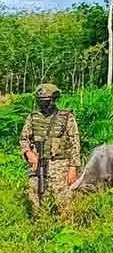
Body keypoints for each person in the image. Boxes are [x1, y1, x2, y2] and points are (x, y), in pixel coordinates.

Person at [19, 83, 81, 218]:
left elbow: (75, 143)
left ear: (53, 100)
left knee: (64, 200)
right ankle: (40, 224)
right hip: (38, 164)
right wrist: (28, 153)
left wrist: (73, 168)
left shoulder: (66, 117)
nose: (42, 104)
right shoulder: (33, 117)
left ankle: (67, 227)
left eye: (45, 101)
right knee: (36, 197)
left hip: (60, 165)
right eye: (40, 101)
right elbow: (24, 139)